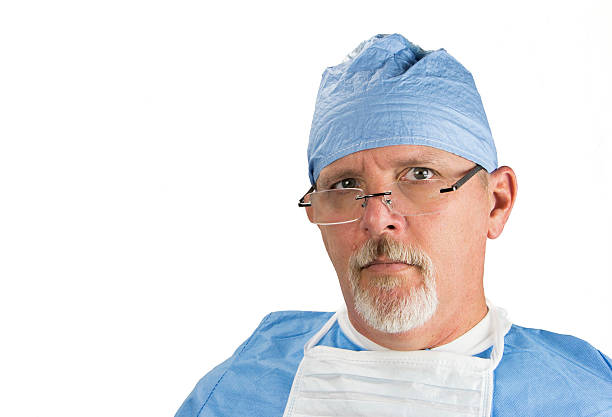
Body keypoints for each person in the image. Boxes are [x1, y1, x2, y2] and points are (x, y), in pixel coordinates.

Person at [175, 34, 612, 417]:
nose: (377, 218)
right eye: (345, 185)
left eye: (420, 175)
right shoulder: (236, 393)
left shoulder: (582, 400)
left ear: (496, 203)